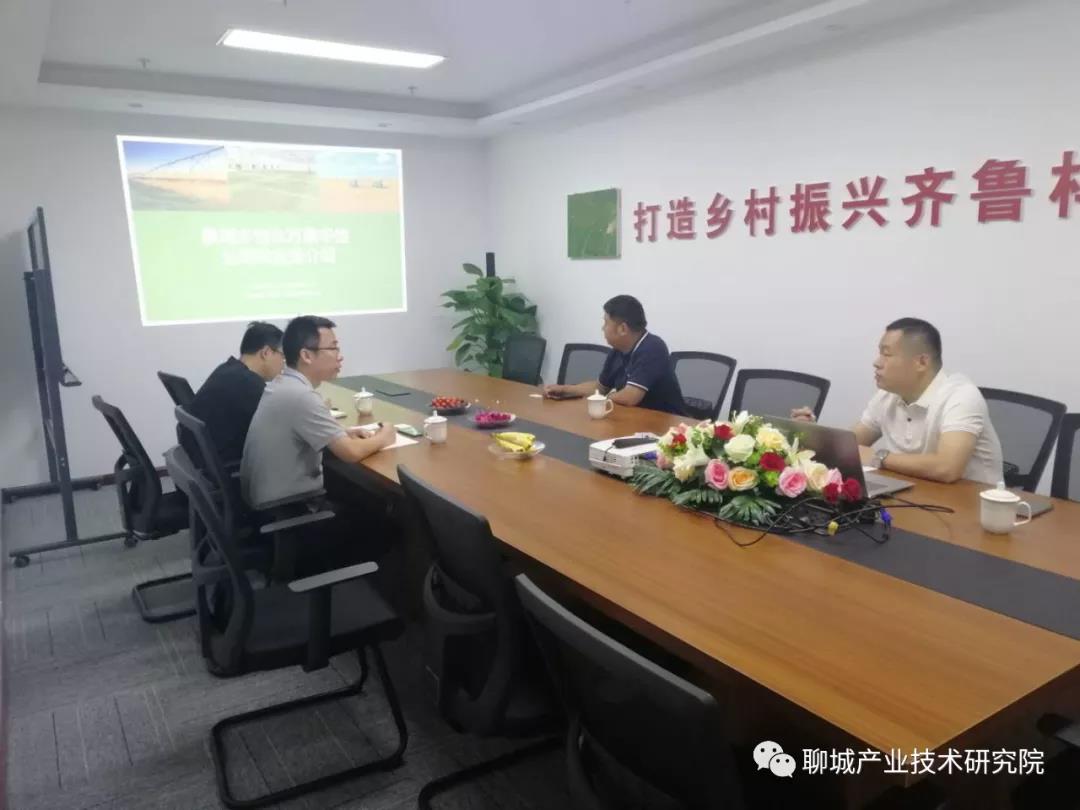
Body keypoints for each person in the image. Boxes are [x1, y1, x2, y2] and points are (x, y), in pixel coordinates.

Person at [792, 317, 1003, 484]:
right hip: (918, 495)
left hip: (973, 510)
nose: (877, 363)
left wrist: (879, 457)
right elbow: (851, 444)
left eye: (886, 354)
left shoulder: (961, 397)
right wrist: (812, 435)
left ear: (921, 362)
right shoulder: (888, 396)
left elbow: (947, 468)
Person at [241, 315, 396, 508]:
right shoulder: (301, 396)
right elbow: (350, 452)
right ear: (306, 356)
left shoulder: (283, 384)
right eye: (333, 348)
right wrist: (385, 436)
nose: (340, 356)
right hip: (290, 509)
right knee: (383, 504)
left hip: (268, 501)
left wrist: (343, 433)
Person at [542, 295, 685, 416]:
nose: (602, 328)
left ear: (622, 329)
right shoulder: (618, 350)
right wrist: (565, 390)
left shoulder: (653, 347)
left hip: (667, 426)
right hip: (634, 419)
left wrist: (601, 398)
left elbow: (630, 397)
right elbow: (599, 388)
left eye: (606, 323)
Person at [185, 321, 285, 465]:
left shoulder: (228, 369)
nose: (284, 364)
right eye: (283, 356)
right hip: (228, 465)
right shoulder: (248, 384)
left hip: (201, 459)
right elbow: (283, 428)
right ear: (266, 353)